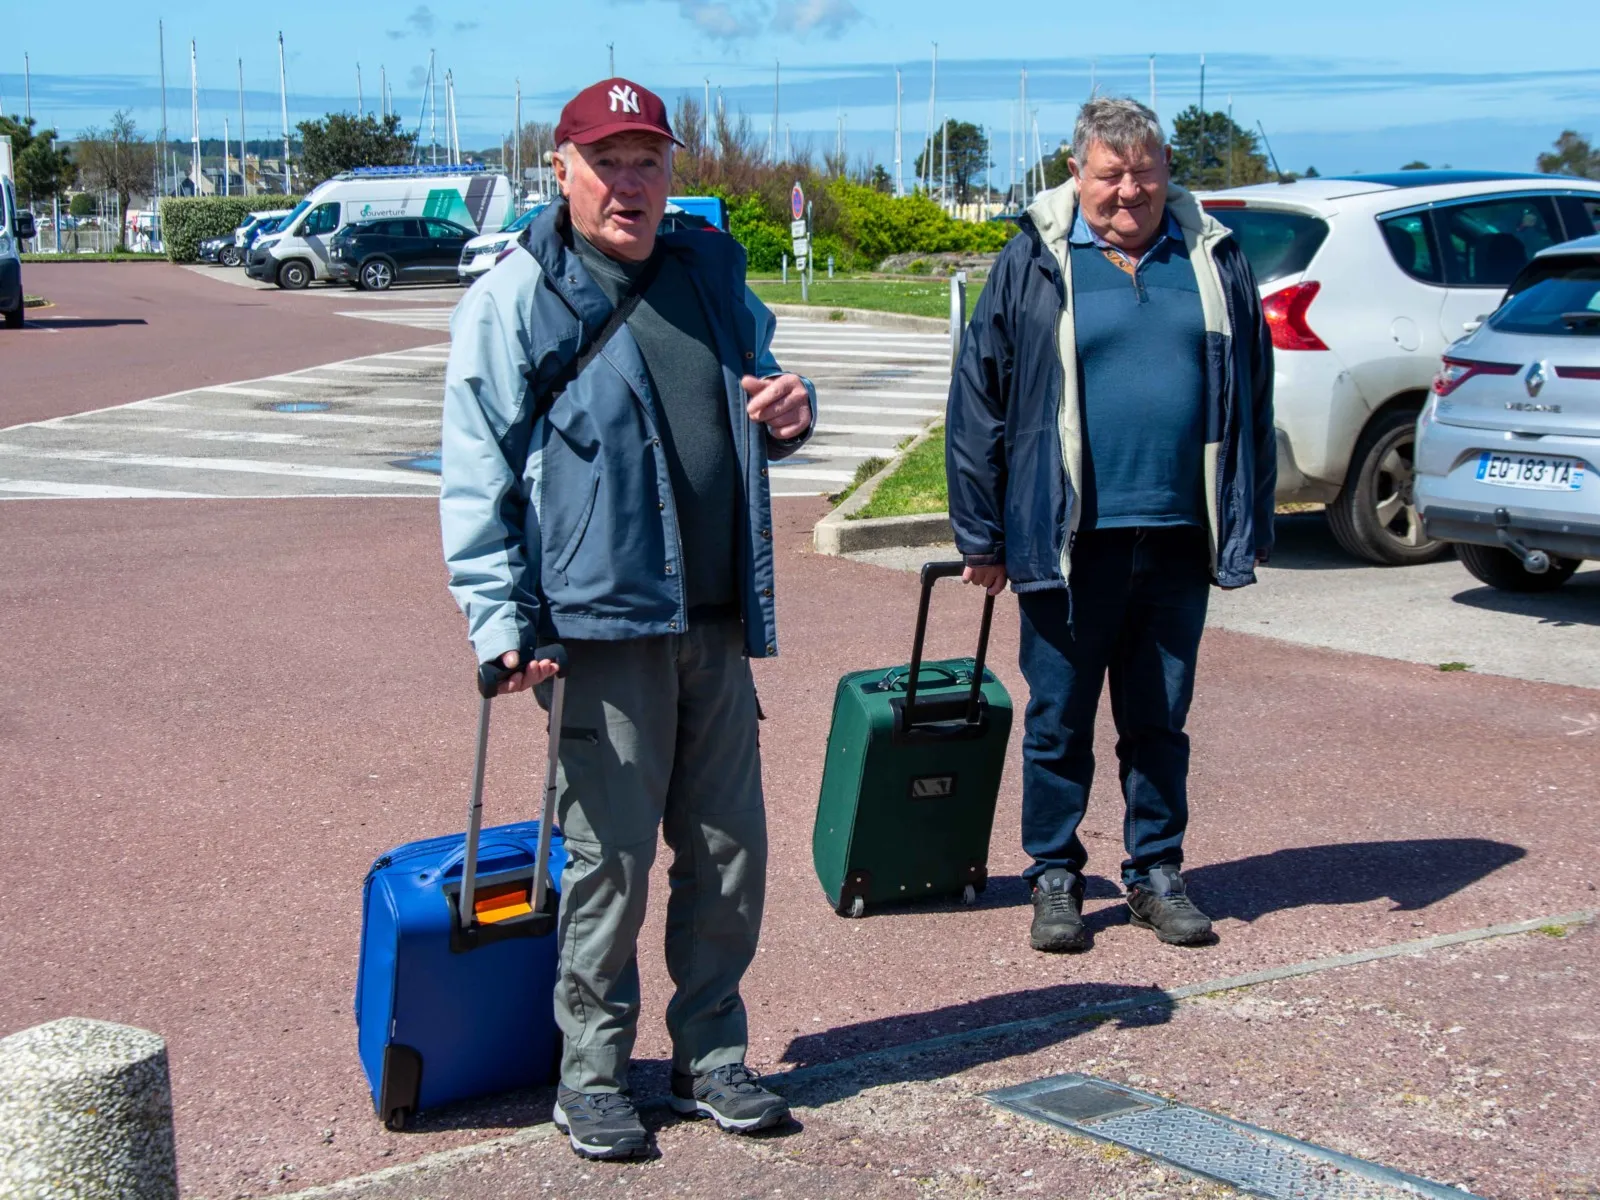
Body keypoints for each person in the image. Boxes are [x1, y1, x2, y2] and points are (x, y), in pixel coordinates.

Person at [439, 76, 816, 1161]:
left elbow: (769, 387)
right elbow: (476, 465)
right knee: (607, 866)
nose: (629, 183)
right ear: (561, 170)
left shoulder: (709, 269)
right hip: (598, 628)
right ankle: (593, 1074)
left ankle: (711, 1056)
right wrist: (498, 619)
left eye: (647, 160)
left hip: (714, 621)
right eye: (606, 162)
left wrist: (794, 411)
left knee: (729, 857)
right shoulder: (518, 292)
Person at [946, 96, 1275, 955]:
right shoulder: (1033, 259)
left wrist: (1250, 515)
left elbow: (1253, 391)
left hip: (1177, 535)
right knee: (1058, 721)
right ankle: (1054, 874)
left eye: (1145, 172)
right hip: (1066, 541)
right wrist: (981, 535)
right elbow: (978, 400)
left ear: (1167, 171)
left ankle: (1156, 872)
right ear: (1076, 173)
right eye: (1111, 174)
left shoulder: (1211, 256)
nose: (1130, 191)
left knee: (1159, 720)